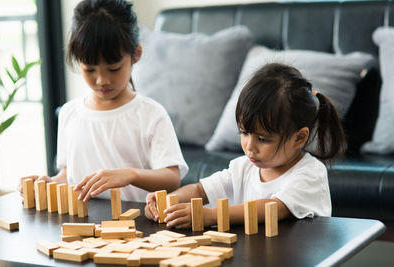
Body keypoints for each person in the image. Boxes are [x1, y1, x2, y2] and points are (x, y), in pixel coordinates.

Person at [18, 0, 188, 202]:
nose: (102, 80)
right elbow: (68, 176)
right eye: (89, 70)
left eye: (114, 68)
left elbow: (171, 178)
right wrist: (50, 183)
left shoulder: (150, 114)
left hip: (135, 225)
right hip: (83, 225)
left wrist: (129, 175)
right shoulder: (69, 113)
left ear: (136, 55)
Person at [145, 63, 346, 228]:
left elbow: (274, 208)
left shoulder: (310, 173)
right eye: (244, 133)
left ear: (299, 138)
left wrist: (210, 216)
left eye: (263, 139)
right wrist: (168, 202)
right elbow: (200, 190)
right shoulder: (243, 167)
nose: (249, 147)